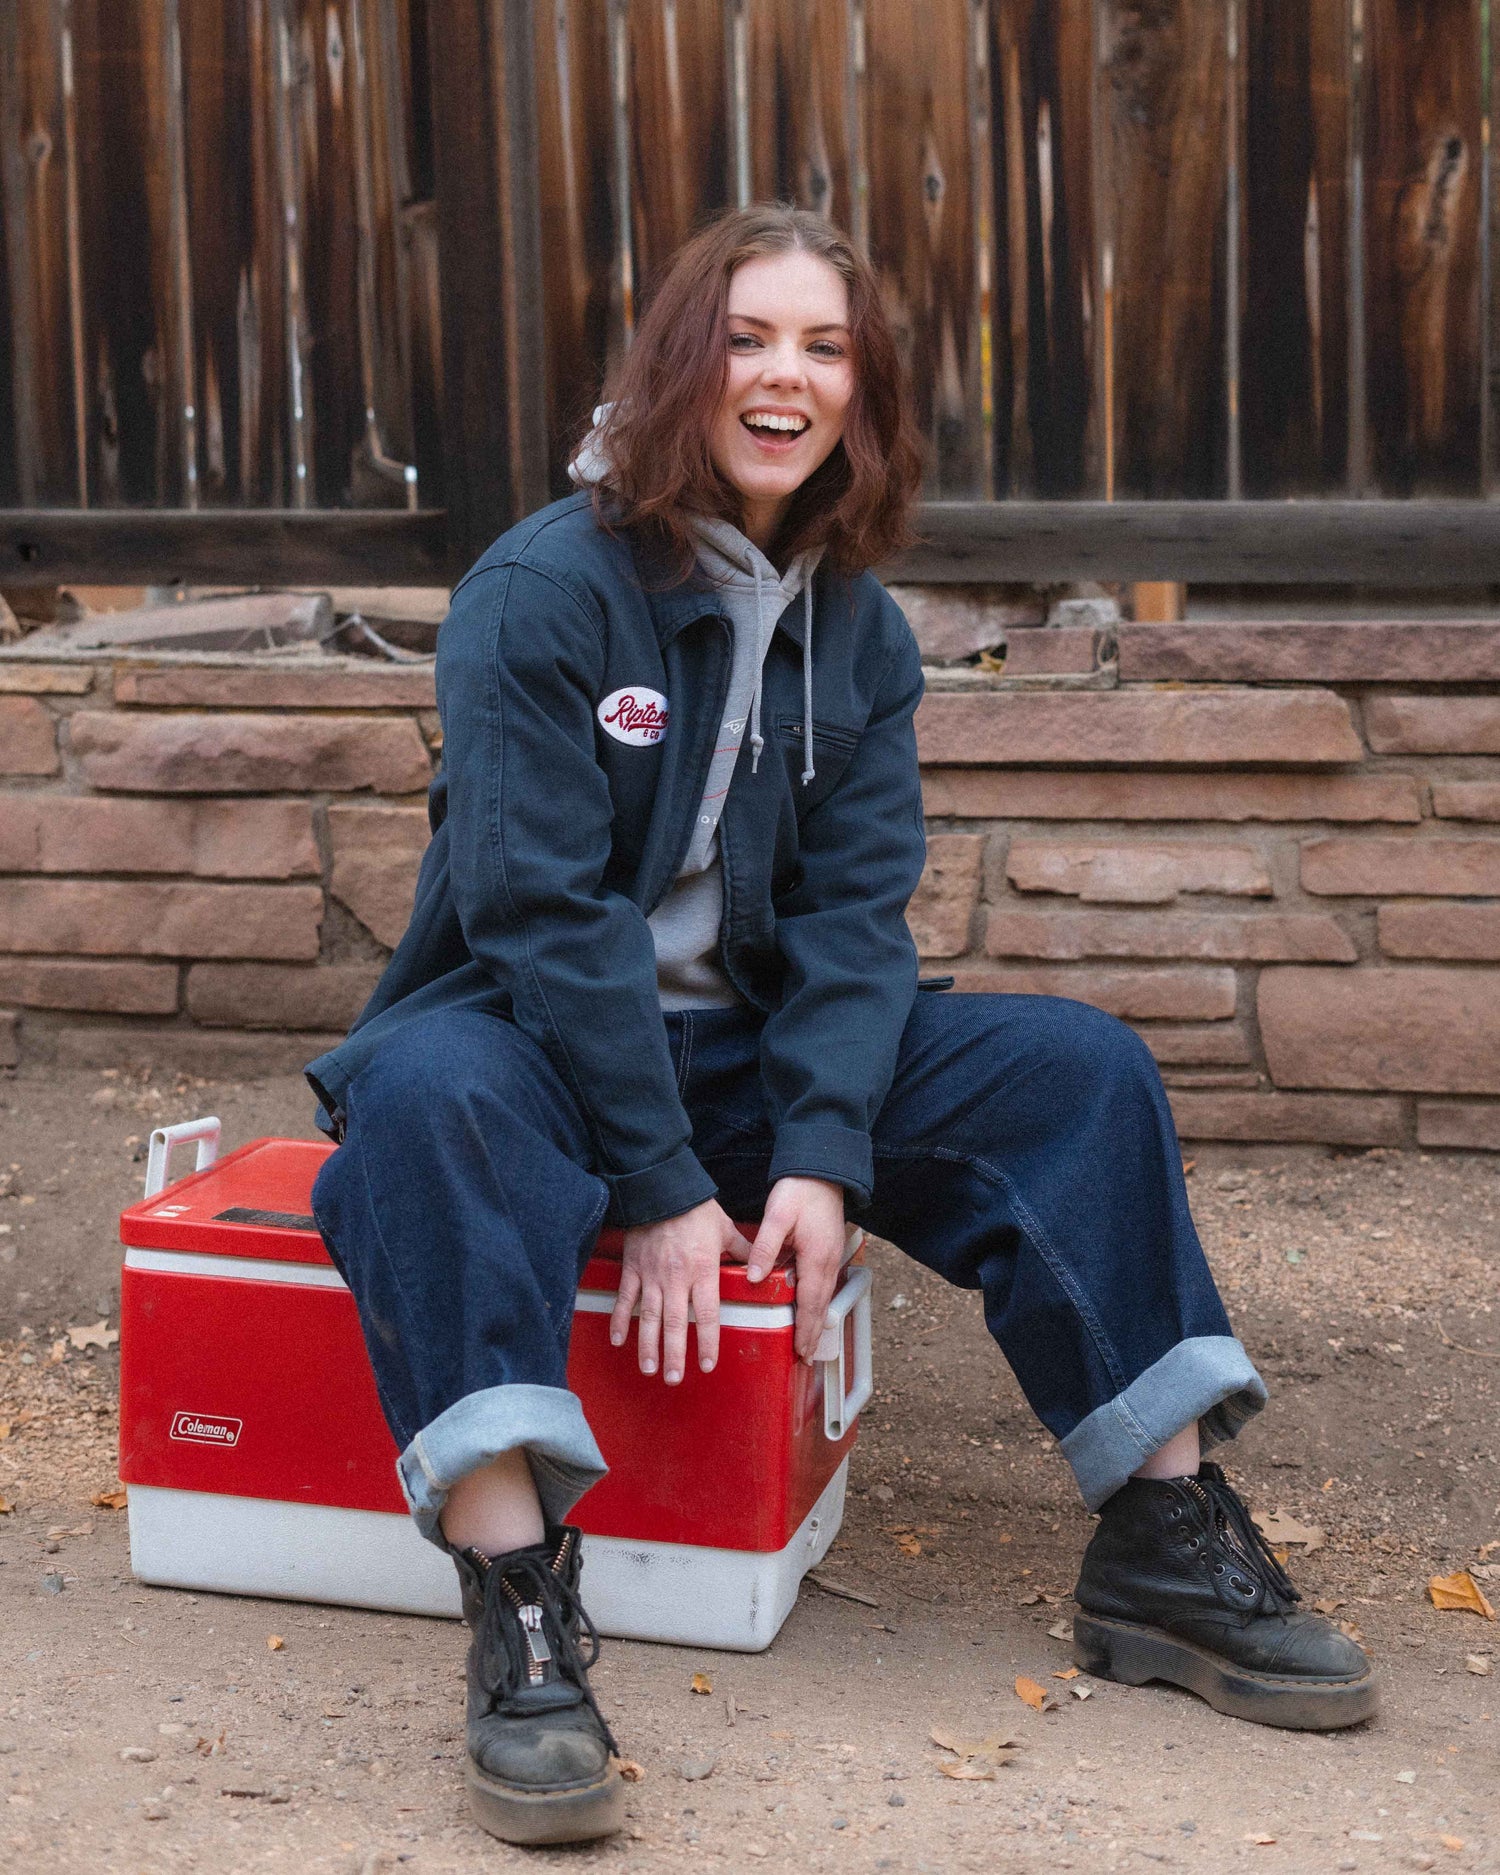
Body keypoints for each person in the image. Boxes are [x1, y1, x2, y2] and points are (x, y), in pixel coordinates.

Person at [305, 203, 1376, 1848]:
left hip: (741, 1059)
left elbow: (853, 925)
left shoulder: (858, 632)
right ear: (681, 362)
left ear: (860, 393)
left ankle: (1164, 1546)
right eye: (747, 337)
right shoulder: (539, 590)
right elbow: (542, 915)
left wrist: (816, 1153)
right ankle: (522, 1605)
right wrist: (661, 1187)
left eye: (824, 347)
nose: (784, 377)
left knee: (1076, 1072)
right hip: (524, 1039)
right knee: (426, 1104)